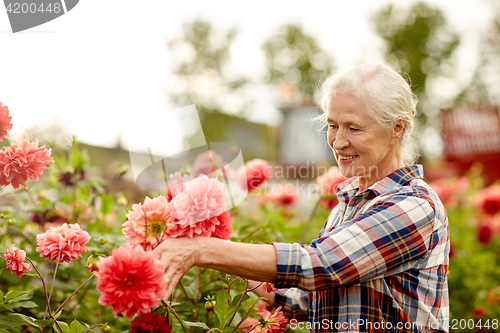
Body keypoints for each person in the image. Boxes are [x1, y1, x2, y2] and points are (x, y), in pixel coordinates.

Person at [152, 63, 450, 333]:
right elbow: (310, 303)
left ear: (396, 128)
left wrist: (202, 248)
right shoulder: (350, 204)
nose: (338, 141)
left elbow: (321, 265)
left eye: (354, 128)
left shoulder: (412, 205)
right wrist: (229, 263)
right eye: (333, 125)